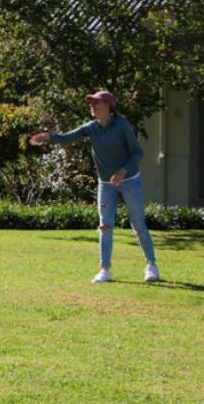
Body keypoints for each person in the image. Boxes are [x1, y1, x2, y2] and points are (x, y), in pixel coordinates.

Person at [30, 90, 159, 284]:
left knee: (138, 224)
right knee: (105, 226)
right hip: (105, 184)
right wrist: (47, 137)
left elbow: (137, 152)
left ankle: (151, 266)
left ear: (108, 106)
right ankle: (105, 270)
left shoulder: (122, 126)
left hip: (130, 181)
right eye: (91, 104)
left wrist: (123, 171)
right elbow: (67, 137)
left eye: (96, 103)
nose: (92, 106)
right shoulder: (91, 127)